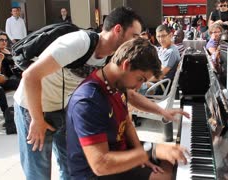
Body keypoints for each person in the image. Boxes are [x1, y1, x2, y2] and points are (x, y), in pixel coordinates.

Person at [13, 6, 188, 180]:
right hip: (33, 106)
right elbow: (30, 76)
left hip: (63, 106)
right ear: (118, 30)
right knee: (38, 172)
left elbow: (129, 94)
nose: (137, 41)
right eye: (134, 36)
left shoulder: (112, 59)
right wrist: (36, 119)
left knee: (67, 166)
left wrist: (162, 112)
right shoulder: (80, 42)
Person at [66, 37, 188, 180]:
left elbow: (127, 123)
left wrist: (141, 155)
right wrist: (149, 152)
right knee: (166, 176)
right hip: (97, 173)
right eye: (140, 79)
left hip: (119, 152)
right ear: (126, 65)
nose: (138, 87)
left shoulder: (116, 84)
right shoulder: (88, 101)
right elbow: (100, 165)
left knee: (173, 158)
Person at [139, 25, 181, 95]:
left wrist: (143, 80)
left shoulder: (171, 52)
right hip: (156, 82)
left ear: (170, 35)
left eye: (163, 36)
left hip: (160, 86)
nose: (161, 39)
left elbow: (159, 75)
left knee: (132, 86)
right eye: (158, 36)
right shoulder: (162, 49)